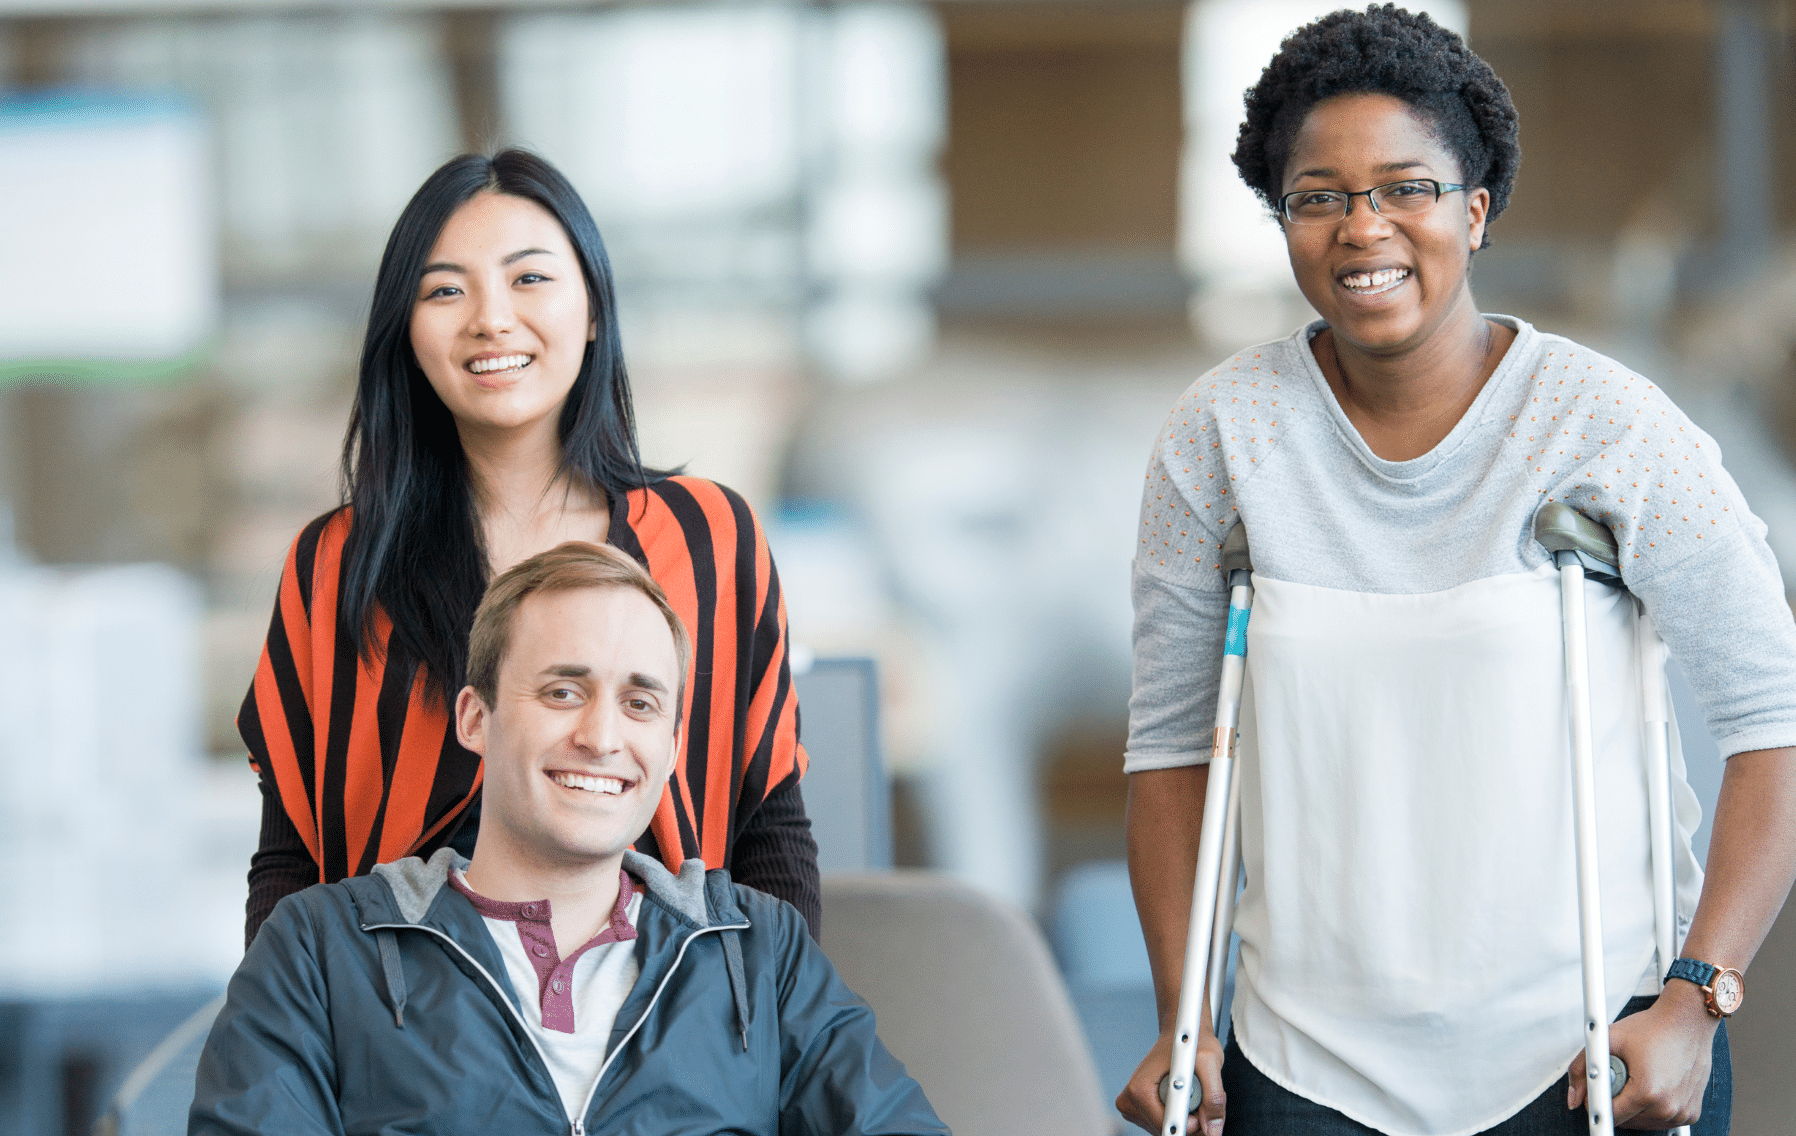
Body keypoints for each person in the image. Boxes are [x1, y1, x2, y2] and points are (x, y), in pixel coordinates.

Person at [1117, 7, 1796, 1136]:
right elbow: (1174, 748)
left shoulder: (1609, 426)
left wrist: (1697, 995)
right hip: (1307, 1066)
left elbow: (1771, 717)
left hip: (1591, 1046)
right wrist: (1184, 1022)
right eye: (1317, 196)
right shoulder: (1217, 439)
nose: (1360, 226)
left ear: (1472, 211)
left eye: (1404, 188)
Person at [238, 150, 819, 948]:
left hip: (665, 1025)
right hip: (401, 1031)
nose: (491, 319)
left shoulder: (710, 539)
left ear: (590, 309)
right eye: (445, 290)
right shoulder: (338, 563)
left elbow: (770, 836)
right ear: (405, 332)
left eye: (529, 278)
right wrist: (287, 1050)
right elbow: (290, 861)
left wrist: (769, 1048)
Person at [193, 542, 945, 1136]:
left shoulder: (759, 949)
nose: (602, 736)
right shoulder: (320, 950)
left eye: (640, 702)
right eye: (563, 691)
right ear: (474, 719)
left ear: (673, 748)